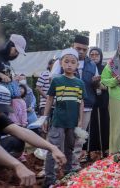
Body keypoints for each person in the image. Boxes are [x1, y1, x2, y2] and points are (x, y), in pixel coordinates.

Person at [0, 83, 66, 186]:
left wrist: (52, 147)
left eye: (2, 108)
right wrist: (17, 165)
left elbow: (22, 131)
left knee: (16, 142)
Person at [50, 35, 99, 171]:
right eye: (78, 48)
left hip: (86, 105)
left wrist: (96, 82)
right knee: (59, 137)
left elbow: (95, 86)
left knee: (78, 137)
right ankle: (54, 166)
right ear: (73, 46)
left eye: (84, 49)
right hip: (64, 106)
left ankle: (74, 164)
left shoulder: (92, 64)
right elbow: (52, 81)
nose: (81, 51)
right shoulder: (61, 61)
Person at [42, 48, 86, 187]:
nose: (69, 65)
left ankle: (68, 173)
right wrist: (44, 118)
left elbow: (81, 103)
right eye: (66, 62)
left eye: (73, 62)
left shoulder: (80, 83)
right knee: (53, 148)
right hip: (58, 121)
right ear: (61, 63)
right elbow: (49, 100)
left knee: (70, 148)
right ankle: (49, 178)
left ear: (77, 65)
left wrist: (80, 120)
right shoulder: (57, 80)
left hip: (72, 123)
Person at [83, 47, 110, 159]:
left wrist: (99, 84)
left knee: (104, 124)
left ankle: (105, 150)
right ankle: (89, 151)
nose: (94, 57)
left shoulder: (105, 69)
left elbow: (109, 84)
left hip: (102, 100)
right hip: (89, 100)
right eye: (92, 54)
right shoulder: (87, 67)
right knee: (90, 125)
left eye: (96, 54)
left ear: (101, 56)